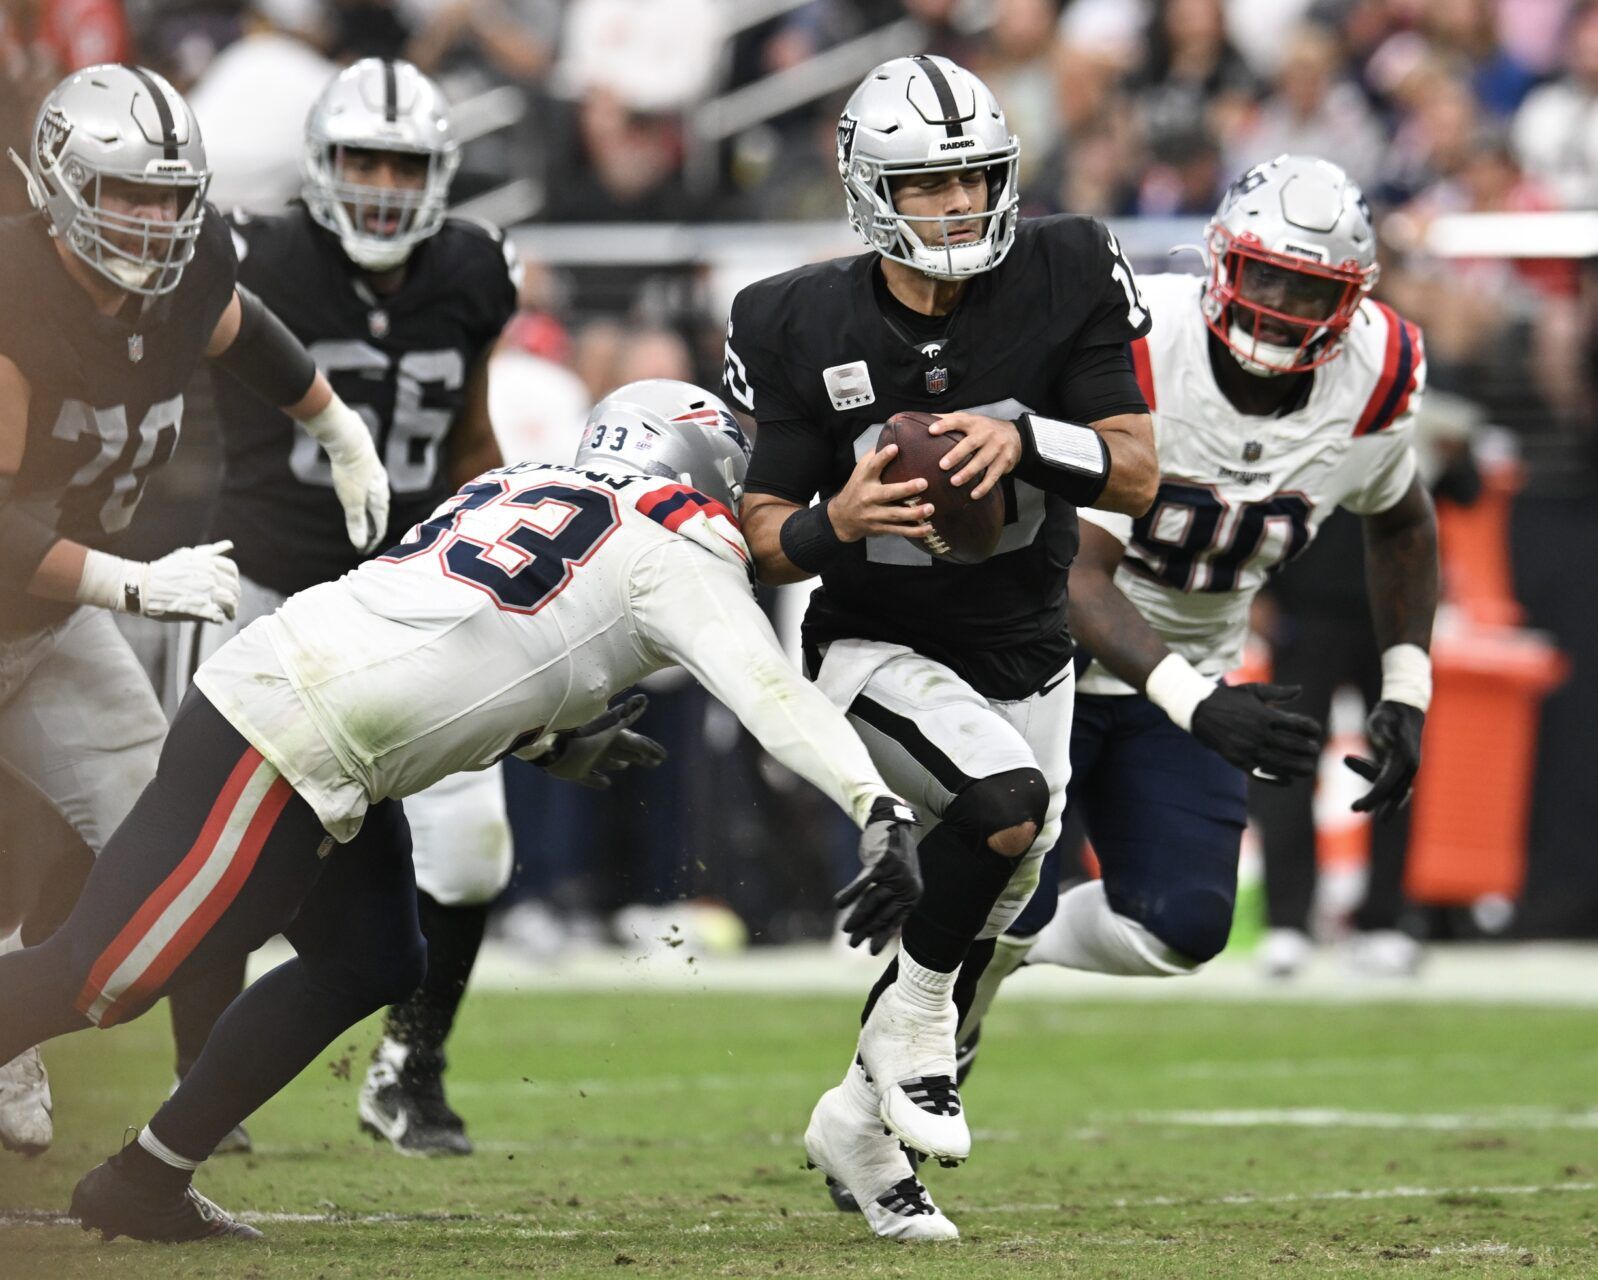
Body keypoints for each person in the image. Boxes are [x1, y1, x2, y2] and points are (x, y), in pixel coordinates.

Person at [0, 380, 925, 1243]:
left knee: (372, 958)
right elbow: (768, 689)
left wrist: (548, 739)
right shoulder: (673, 540)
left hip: (311, 710)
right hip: (287, 734)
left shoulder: (520, 480)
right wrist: (872, 800)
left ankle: (144, 1181)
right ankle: (142, 1174)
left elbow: (473, 633)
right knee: (107, 975)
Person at [723, 54, 1158, 1242]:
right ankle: (912, 1028)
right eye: (929, 185)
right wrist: (834, 522)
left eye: (974, 177)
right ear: (873, 191)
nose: (960, 204)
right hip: (876, 643)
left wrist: (1025, 435)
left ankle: (858, 1128)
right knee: (1005, 804)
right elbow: (760, 539)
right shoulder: (795, 316)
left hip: (1029, 644)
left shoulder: (1065, 266)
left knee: (1003, 903)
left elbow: (1136, 465)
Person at [957, 153, 1436, 1070]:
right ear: (1221, 258)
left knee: (1182, 927)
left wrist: (1407, 689)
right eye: (1264, 275)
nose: (1280, 306)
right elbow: (1076, 579)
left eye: (1308, 289)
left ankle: (995, 947)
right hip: (1039, 663)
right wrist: (1199, 703)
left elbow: (1404, 521)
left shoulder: (1377, 372)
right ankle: (928, 1035)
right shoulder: (1138, 341)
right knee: (1005, 885)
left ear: (1352, 298)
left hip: (1183, 675)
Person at [0, 64, 391, 1157]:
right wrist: (131, 582)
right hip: (44, 591)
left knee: (158, 850)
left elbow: (236, 321)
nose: (158, 219)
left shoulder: (183, 270)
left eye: (172, 196)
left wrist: (335, 426)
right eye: (130, 193)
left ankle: (58, 1042)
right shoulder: (13, 283)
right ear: (66, 184)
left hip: (40, 623)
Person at [162, 57, 521, 1160]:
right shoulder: (256, 256)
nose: (378, 183)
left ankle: (411, 1069)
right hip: (263, 584)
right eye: (361, 158)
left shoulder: (473, 268)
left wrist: (509, 562)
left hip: (413, 596)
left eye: (402, 163)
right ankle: (199, 1089)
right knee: (208, 854)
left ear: (440, 174)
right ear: (321, 165)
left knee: (472, 849)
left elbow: (469, 437)